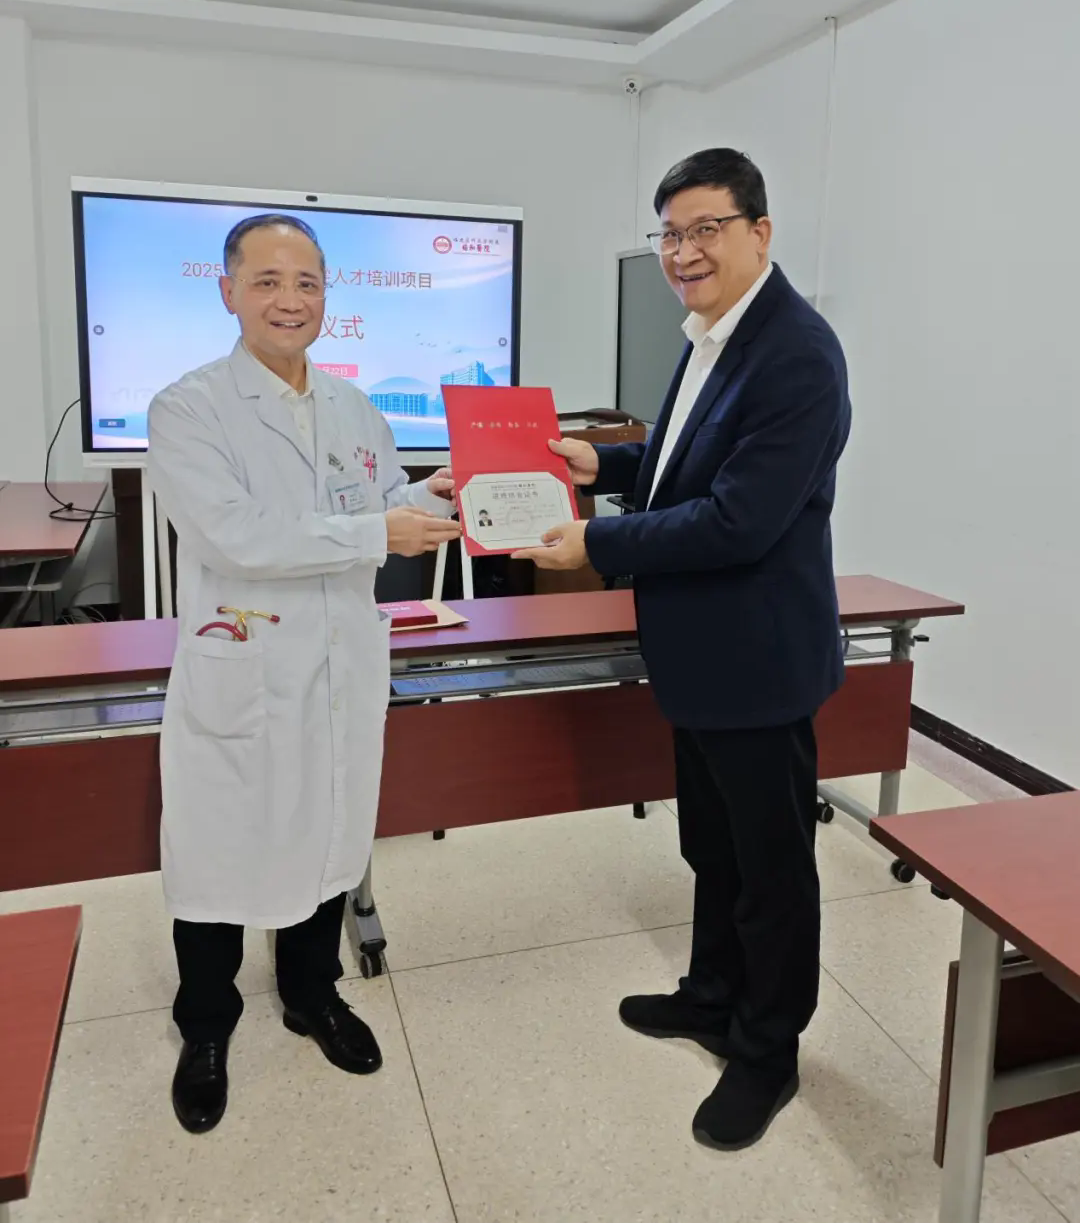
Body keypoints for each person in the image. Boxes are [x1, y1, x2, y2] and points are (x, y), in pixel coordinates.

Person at [514, 149, 850, 1151]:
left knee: (771, 866)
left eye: (706, 228)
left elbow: (739, 518)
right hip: (701, 655)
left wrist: (598, 541)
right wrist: (605, 460)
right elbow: (684, 458)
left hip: (758, 661)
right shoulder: (714, 332)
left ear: (760, 231)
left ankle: (769, 1050)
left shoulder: (796, 352)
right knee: (713, 845)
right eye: (670, 233)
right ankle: (712, 996)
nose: (683, 251)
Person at [147, 213, 461, 1134]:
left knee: (329, 830)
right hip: (245, 666)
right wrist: (377, 530)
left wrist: (432, 493)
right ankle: (206, 1025)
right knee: (221, 849)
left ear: (328, 296)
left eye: (308, 283)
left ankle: (311, 992)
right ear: (228, 291)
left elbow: (382, 499)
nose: (290, 300)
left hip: (340, 665)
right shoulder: (188, 408)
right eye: (268, 280)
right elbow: (234, 536)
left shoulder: (353, 407)